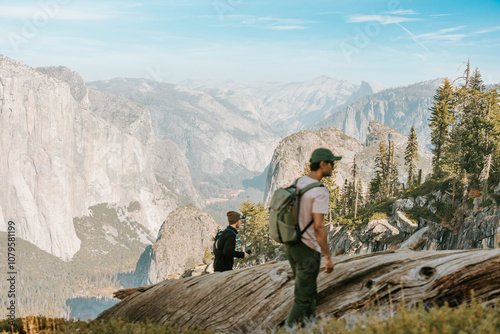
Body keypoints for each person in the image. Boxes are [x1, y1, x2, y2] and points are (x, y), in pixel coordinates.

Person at [284, 148, 341, 327]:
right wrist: (327, 256)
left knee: (309, 294)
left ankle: (310, 329)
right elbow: (319, 226)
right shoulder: (320, 191)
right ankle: (287, 331)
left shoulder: (299, 182)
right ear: (322, 164)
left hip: (292, 245)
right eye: (332, 163)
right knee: (302, 298)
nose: (333, 167)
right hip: (307, 248)